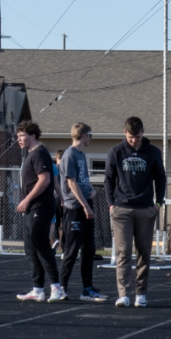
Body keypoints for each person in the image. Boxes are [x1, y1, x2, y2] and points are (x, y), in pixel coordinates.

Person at [104, 117, 166, 308]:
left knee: (144, 252)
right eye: (131, 137)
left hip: (146, 209)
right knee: (123, 252)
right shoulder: (115, 152)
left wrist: (157, 204)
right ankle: (123, 294)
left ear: (143, 132)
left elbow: (161, 179)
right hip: (122, 208)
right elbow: (108, 179)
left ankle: (141, 293)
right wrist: (111, 205)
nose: (134, 140)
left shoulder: (154, 152)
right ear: (125, 133)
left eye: (137, 137)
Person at [15, 121, 62, 303]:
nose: (19, 139)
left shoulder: (40, 153)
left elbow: (45, 180)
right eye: (18, 136)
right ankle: (38, 289)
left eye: (22, 136)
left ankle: (56, 287)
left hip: (40, 206)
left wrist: (27, 199)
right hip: (31, 208)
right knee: (30, 248)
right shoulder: (30, 155)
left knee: (42, 246)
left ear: (33, 135)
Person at [59, 123, 106, 303]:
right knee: (71, 250)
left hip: (86, 204)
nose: (91, 139)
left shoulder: (81, 155)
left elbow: (82, 181)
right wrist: (86, 206)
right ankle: (62, 287)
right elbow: (71, 184)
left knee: (89, 249)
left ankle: (87, 289)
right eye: (90, 135)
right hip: (75, 209)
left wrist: (92, 190)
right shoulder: (69, 155)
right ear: (84, 135)